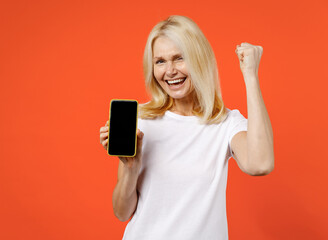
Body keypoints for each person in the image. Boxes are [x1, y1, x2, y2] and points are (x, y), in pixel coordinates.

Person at [99, 15, 274, 240]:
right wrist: (131, 169)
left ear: (199, 59)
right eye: (160, 61)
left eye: (179, 58)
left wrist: (250, 76)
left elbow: (261, 164)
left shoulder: (225, 123)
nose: (170, 71)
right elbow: (122, 213)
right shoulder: (141, 121)